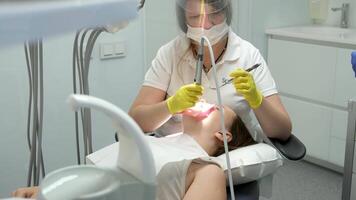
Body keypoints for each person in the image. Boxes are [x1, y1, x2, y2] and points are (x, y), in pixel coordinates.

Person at [12, 103, 254, 200]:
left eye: (216, 106)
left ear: (223, 135)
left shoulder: (207, 169)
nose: (204, 101)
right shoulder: (150, 143)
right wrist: (46, 190)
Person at [129, 0, 292, 141]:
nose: (206, 25)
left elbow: (282, 131)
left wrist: (257, 100)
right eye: (195, 17)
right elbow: (135, 121)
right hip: (177, 150)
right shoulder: (170, 54)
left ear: (226, 11)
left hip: (229, 152)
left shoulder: (248, 55)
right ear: (183, 20)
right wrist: (171, 106)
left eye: (214, 14)